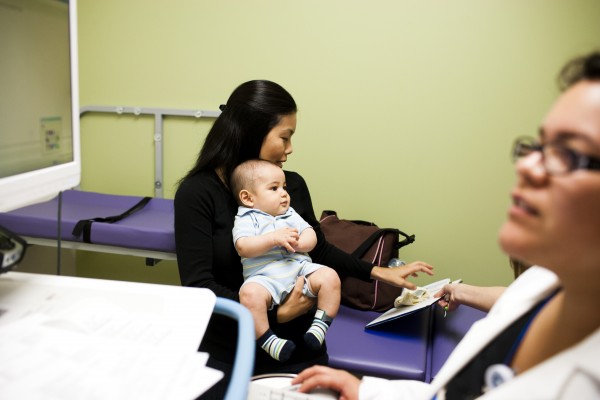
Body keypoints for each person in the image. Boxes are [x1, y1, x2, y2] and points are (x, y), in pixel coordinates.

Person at [292, 51, 600, 399]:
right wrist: (366, 391)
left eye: (570, 154)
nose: (528, 164)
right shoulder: (546, 283)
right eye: (540, 146)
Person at [174, 80, 434, 398]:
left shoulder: (289, 186)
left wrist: (378, 272)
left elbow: (320, 248)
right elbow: (199, 286)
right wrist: (276, 315)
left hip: (299, 347)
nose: (290, 148)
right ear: (252, 131)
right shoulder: (197, 193)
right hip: (228, 346)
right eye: (285, 136)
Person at [231, 159, 341, 362]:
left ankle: (319, 326)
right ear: (248, 198)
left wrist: (299, 244)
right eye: (274, 188)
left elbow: (311, 235)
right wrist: (273, 239)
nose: (283, 193)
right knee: (248, 294)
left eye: (284, 187)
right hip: (265, 278)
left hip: (299, 268)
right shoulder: (246, 218)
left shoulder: (289, 214)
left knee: (330, 276)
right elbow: (243, 246)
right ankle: (268, 341)